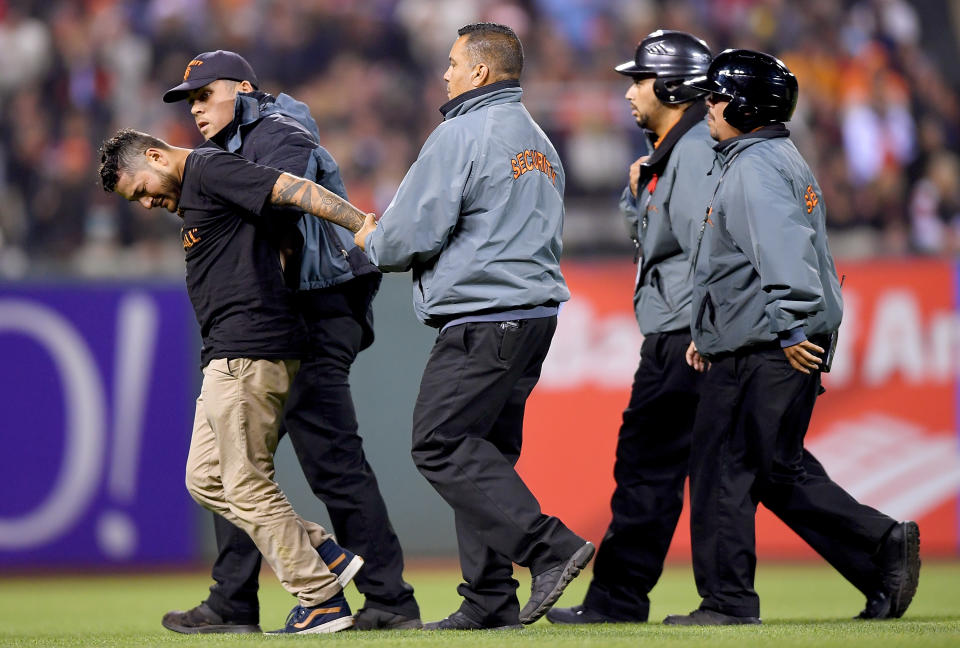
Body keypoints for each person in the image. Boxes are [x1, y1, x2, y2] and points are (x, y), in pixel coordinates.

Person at [549, 31, 917, 626]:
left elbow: (717, 248)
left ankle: (665, 600)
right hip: (713, 329)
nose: (629, 94)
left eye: (638, 80)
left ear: (671, 85)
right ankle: (877, 551)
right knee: (763, 466)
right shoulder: (700, 150)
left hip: (705, 333)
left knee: (695, 467)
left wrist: (713, 325)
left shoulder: (709, 153)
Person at [157, 49, 420, 634]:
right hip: (285, 310)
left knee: (329, 460)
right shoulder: (224, 152)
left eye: (206, 95)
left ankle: (388, 599)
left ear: (244, 89)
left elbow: (282, 197)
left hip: (320, 305)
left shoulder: (279, 126)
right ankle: (234, 600)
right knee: (238, 461)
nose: (196, 110)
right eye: (190, 101)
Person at [663, 50, 920, 626]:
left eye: (718, 94)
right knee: (777, 470)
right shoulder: (772, 157)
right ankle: (881, 551)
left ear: (746, 104)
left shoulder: (753, 167)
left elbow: (784, 255)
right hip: (762, 336)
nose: (709, 103)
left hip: (768, 343)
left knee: (724, 468)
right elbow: (750, 262)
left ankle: (728, 603)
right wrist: (711, 331)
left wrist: (792, 324)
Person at [353, 22, 594, 630]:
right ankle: (488, 600)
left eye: (455, 63)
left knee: (439, 443)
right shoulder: (538, 139)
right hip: (534, 316)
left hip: (486, 317)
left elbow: (406, 236)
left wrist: (372, 239)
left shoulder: (460, 133)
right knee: (483, 456)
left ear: (481, 72)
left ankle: (550, 549)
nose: (446, 74)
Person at [98, 128, 373, 634]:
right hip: (227, 353)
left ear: (156, 156)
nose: (145, 204)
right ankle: (320, 551)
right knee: (204, 478)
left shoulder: (207, 168)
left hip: (249, 349)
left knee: (245, 483)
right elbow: (279, 228)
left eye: (140, 190)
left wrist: (361, 225)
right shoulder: (200, 195)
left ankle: (321, 600)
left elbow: (290, 188)